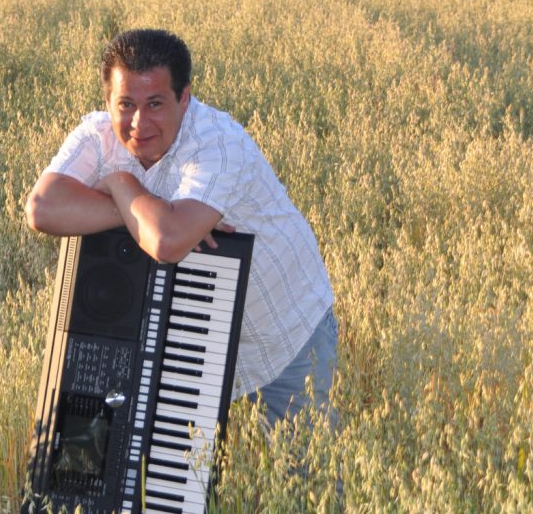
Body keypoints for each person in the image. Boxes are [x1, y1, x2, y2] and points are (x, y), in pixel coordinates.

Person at [25, 28, 337, 427]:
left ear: (184, 98)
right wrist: (144, 211)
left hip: (280, 334)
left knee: (301, 476)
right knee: (183, 478)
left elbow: (168, 242)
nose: (138, 122)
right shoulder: (98, 137)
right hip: (191, 339)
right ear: (108, 101)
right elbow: (42, 208)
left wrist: (122, 187)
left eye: (155, 103)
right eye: (125, 104)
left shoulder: (219, 144)